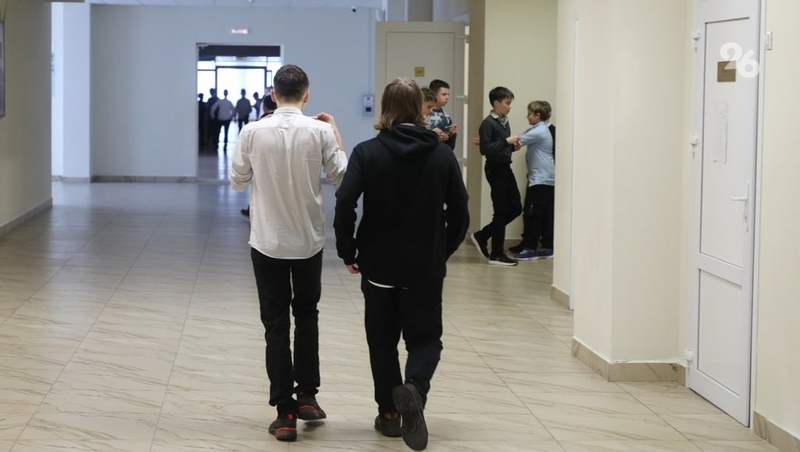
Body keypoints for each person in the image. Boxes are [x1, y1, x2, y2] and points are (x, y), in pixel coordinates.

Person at [334, 78, 469, 452]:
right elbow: (461, 210)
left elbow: (344, 201)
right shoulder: (441, 156)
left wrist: (348, 251)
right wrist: (443, 249)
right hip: (424, 265)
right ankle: (415, 389)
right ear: (420, 108)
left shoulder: (367, 152)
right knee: (425, 338)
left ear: (386, 107)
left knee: (382, 341)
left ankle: (391, 415)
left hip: (378, 265)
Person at [230, 64, 348, 442]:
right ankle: (308, 396)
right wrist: (336, 132)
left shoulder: (252, 131)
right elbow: (342, 178)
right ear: (306, 95)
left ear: (272, 94)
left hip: (268, 241)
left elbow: (237, 181)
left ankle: (284, 413)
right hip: (308, 241)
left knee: (276, 324)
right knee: (307, 316)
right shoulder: (320, 131)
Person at [469, 86, 522, 266]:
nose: (509, 106)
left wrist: (512, 147)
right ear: (496, 103)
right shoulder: (488, 123)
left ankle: (483, 235)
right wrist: (506, 141)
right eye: (507, 103)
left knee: (516, 208)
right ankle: (496, 253)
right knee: (501, 210)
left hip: (505, 167)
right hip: (495, 169)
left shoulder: (504, 121)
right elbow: (485, 149)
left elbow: (498, 145)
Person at [509, 101, 555, 260]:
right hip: (544, 178)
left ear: (538, 115)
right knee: (543, 213)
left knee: (533, 214)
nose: (527, 116)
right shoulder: (537, 129)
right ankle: (546, 247)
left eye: (529, 114)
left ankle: (530, 248)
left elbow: (516, 139)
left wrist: (491, 143)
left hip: (541, 179)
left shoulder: (539, 131)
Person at [426, 79, 457, 150]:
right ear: (434, 95)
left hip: (443, 151)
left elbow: (450, 146)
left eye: (448, 94)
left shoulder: (446, 117)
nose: (447, 97)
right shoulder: (425, 114)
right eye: (444, 94)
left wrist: (451, 135)